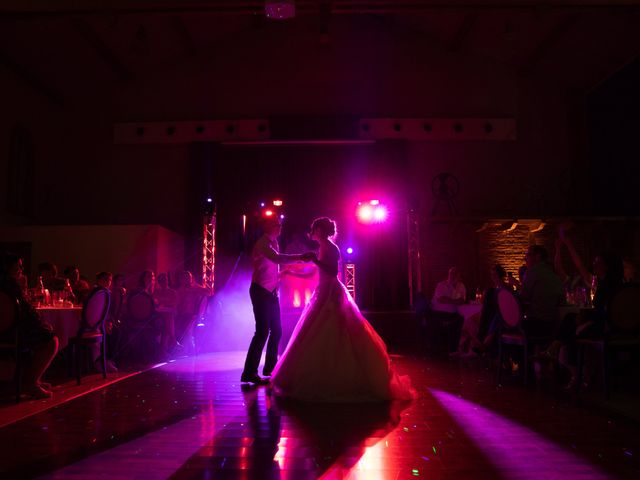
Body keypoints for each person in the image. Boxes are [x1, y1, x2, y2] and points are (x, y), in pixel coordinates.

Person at [270, 217, 416, 402]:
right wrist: (294, 270)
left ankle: (337, 377)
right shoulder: (325, 247)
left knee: (332, 332)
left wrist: (314, 260)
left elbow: (330, 272)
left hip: (330, 293)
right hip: (323, 291)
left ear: (321, 231)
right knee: (318, 332)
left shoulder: (331, 248)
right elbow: (316, 272)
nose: (312, 232)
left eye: (314, 229)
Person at [240, 216, 309, 385]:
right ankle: (249, 372)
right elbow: (277, 259)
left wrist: (279, 279)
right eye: (276, 225)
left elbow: (271, 267)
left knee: (276, 330)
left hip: (270, 293)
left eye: (280, 225)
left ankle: (270, 369)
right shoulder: (263, 243)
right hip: (260, 291)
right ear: (267, 227)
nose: (280, 227)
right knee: (262, 331)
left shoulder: (274, 243)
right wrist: (300, 256)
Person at [0, 252, 59, 398]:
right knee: (51, 340)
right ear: (10, 266)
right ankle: (30, 383)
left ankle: (33, 379)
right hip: (12, 332)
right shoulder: (11, 284)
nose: (21, 268)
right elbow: (26, 312)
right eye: (18, 265)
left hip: (5, 330)